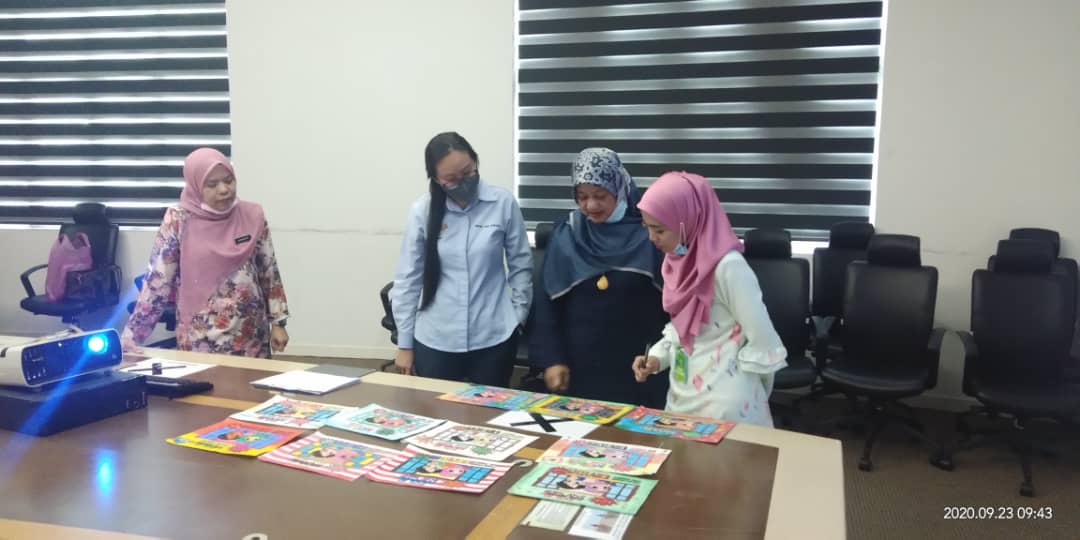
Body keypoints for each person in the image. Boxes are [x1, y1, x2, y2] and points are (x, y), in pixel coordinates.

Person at [632, 171, 786, 427]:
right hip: (683, 393)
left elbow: (762, 336)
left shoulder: (728, 267)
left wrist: (749, 387)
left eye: (659, 229)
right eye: (646, 227)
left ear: (688, 220)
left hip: (725, 402)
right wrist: (657, 357)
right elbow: (683, 329)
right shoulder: (676, 262)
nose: (651, 238)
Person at [528, 148, 668, 408]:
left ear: (619, 188)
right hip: (580, 364)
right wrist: (552, 359)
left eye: (600, 196)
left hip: (639, 365)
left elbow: (672, 306)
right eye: (582, 197)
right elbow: (547, 304)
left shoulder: (650, 233)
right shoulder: (567, 234)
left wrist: (663, 356)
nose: (591, 206)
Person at [390, 132, 532, 386]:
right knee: (434, 406)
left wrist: (518, 316)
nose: (463, 182)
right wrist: (405, 344)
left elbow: (520, 265)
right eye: (452, 179)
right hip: (436, 338)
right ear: (436, 179)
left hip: (494, 336)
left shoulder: (502, 203)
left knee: (491, 407)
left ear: (476, 161)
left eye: (467, 172)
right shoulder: (422, 211)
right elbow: (408, 278)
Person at [121, 148, 290, 358]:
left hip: (250, 333)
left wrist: (278, 322)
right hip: (200, 337)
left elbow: (269, 270)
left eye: (229, 180)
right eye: (212, 184)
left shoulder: (252, 215)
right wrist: (132, 337)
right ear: (195, 186)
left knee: (253, 379)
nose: (224, 190)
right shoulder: (179, 220)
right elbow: (158, 282)